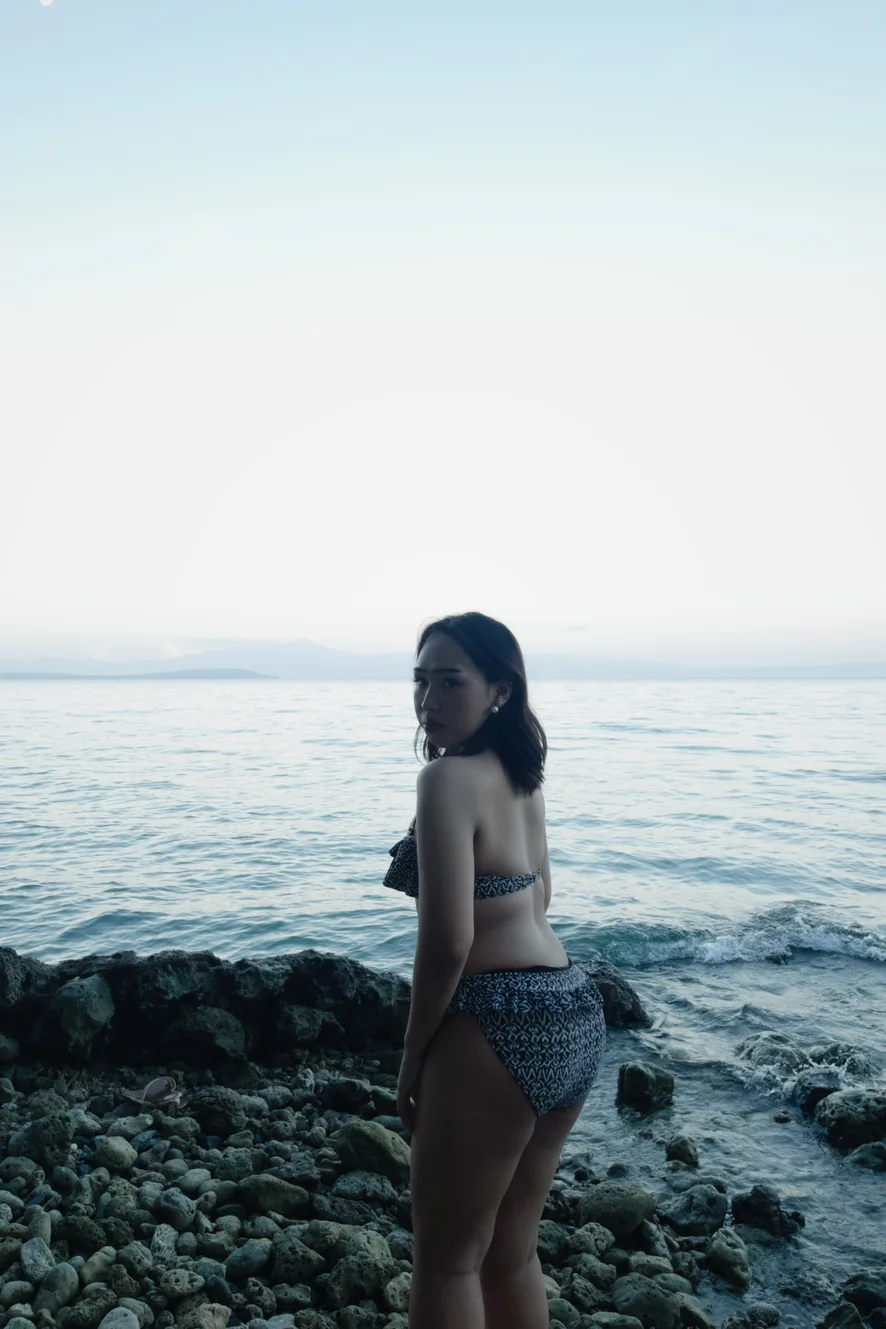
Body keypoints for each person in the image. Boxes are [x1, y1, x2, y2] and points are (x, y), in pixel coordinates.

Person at [383, 611, 606, 1329]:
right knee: (510, 1252)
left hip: (498, 1019)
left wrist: (414, 1056)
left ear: (500, 690)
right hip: (573, 1009)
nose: (429, 699)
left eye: (451, 681)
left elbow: (449, 942)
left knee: (447, 1260)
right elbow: (543, 895)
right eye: (420, 681)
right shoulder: (522, 779)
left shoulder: (446, 780)